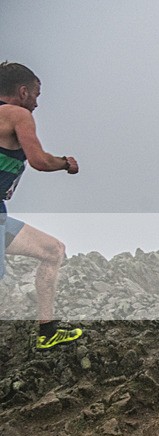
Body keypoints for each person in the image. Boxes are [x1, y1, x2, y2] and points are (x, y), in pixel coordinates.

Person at [0, 61, 83, 350]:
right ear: (23, 92)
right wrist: (65, 164)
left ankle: (47, 331)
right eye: (36, 93)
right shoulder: (17, 114)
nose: (37, 102)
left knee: (52, 250)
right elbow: (39, 160)